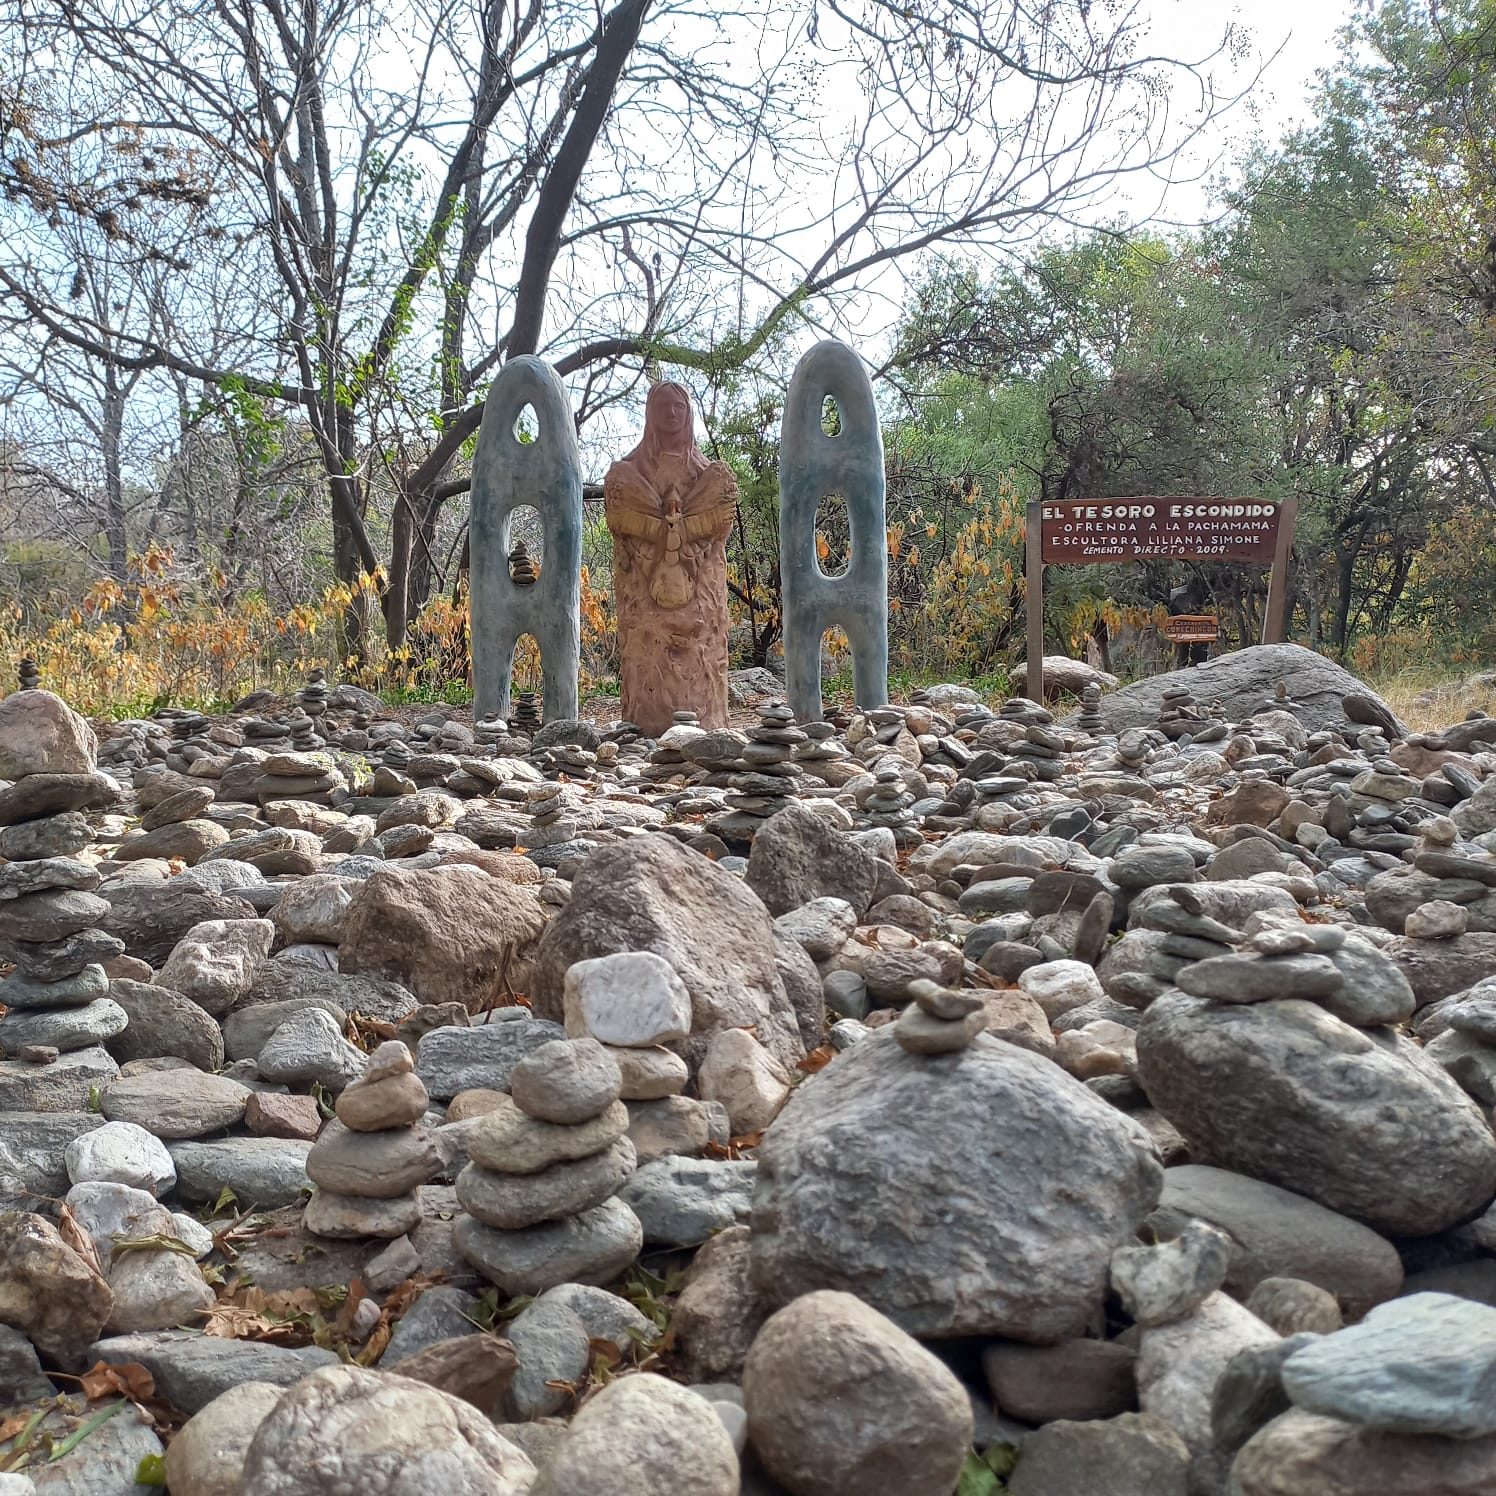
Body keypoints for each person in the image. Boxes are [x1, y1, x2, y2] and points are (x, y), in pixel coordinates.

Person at [604, 382, 739, 733]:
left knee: (721, 477)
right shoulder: (628, 471)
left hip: (699, 598)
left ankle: (708, 722)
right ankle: (645, 724)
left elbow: (721, 521)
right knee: (650, 659)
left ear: (688, 412)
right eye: (663, 405)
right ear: (650, 413)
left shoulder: (707, 473)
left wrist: (686, 533)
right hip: (646, 594)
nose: (671, 413)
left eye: (678, 405)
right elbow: (619, 518)